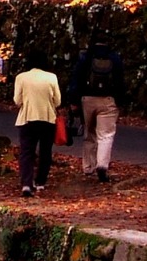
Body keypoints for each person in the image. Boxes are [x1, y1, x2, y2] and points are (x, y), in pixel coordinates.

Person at [68, 33, 126, 183]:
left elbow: (76, 78)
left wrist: (74, 101)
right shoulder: (114, 58)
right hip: (108, 100)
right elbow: (120, 81)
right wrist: (120, 101)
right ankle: (102, 166)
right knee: (105, 135)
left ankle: (88, 167)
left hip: (87, 99)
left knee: (89, 132)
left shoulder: (85, 57)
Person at [13, 50, 61, 198]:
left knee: (26, 152)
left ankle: (26, 183)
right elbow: (58, 101)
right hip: (47, 118)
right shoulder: (51, 77)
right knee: (45, 151)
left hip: (27, 118)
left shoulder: (21, 77)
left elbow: (17, 100)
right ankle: (40, 181)